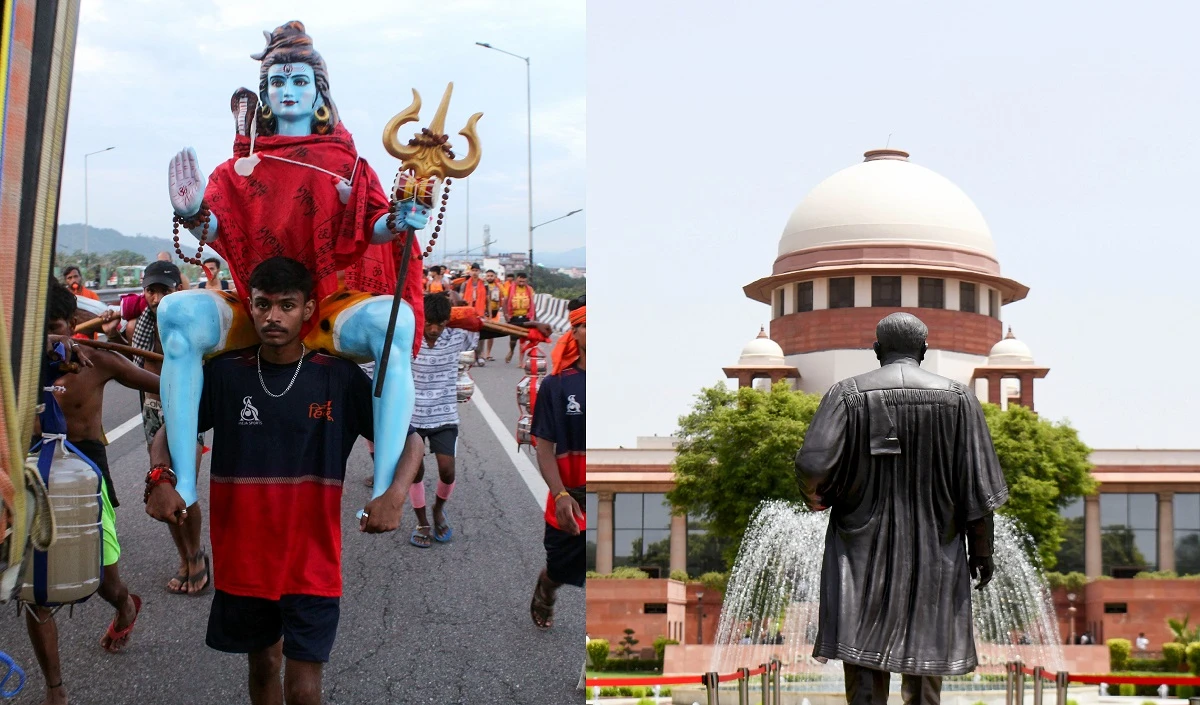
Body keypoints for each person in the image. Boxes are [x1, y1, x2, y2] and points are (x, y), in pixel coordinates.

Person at [145, 256, 423, 705]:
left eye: (287, 306)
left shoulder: (340, 379)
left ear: (309, 309)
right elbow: (169, 431)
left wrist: (393, 495)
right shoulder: (224, 374)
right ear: (249, 307)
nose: (273, 317)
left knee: (304, 687)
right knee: (262, 667)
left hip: (312, 562)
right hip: (243, 561)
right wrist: (161, 478)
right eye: (263, 305)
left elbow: (412, 444)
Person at [795, 312, 1008, 705]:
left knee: (860, 652)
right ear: (924, 351)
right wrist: (981, 551)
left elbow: (812, 465)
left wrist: (820, 499)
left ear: (877, 350)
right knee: (926, 655)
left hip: (858, 550)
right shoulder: (959, 399)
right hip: (936, 551)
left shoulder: (845, 394)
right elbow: (978, 489)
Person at [24, 278, 158, 704]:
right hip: (29, 475)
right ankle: (55, 688)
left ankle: (125, 606)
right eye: (34, 328)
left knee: (101, 577)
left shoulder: (98, 359)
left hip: (86, 472)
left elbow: (162, 384)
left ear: (72, 324)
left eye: (55, 326)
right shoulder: (15, 363)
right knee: (35, 591)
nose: (46, 337)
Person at [105, 260, 209, 595]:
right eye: (151, 289)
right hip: (152, 412)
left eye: (164, 289)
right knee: (163, 486)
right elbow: (126, 365)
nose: (156, 296)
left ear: (177, 290)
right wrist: (114, 335)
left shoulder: (193, 326)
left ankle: (196, 555)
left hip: (188, 412)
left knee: (185, 488)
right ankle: (183, 556)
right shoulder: (138, 328)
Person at [529, 296, 586, 629]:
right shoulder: (556, 386)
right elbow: (545, 447)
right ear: (575, 333)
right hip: (569, 499)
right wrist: (561, 494)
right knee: (560, 570)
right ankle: (546, 590)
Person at [407, 292, 478, 547]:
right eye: (428, 323)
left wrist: (531, 327)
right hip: (411, 416)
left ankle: (438, 509)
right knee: (415, 472)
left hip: (444, 414)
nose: (434, 329)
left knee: (448, 471)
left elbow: (479, 325)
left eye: (440, 323)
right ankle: (422, 522)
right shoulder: (407, 338)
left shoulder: (457, 336)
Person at [503, 271, 536, 365]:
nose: (522, 283)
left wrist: (534, 318)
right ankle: (511, 351)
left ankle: (521, 361)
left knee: (523, 340)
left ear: (526, 281)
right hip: (513, 317)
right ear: (516, 279)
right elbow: (505, 302)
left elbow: (533, 304)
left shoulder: (529, 289)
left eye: (523, 281)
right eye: (520, 280)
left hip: (526, 317)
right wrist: (506, 316)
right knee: (513, 339)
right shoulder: (510, 289)